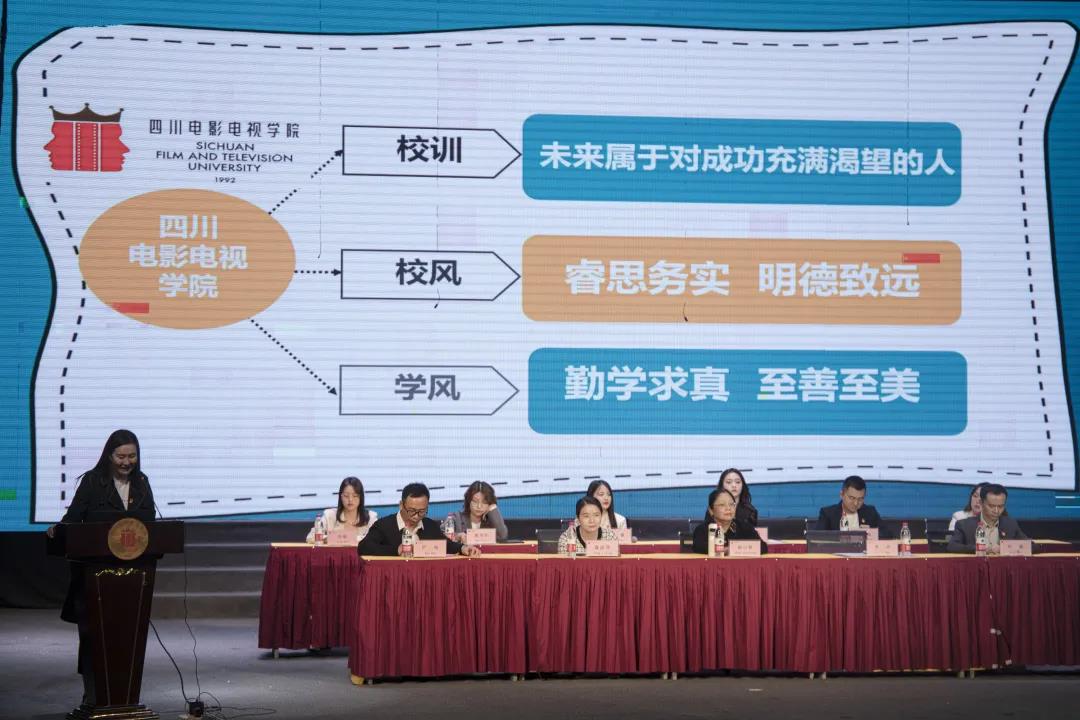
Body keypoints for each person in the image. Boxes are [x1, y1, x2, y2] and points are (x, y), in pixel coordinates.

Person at [46, 429, 155, 707]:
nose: (127, 462)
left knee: (126, 636)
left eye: (132, 456)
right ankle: (93, 693)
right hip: (95, 576)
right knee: (94, 637)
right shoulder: (92, 482)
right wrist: (60, 529)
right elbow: (73, 519)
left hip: (133, 578)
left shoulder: (142, 483)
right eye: (121, 456)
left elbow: (150, 527)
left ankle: (124, 696)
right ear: (109, 455)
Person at [358, 483, 480, 557]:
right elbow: (364, 547)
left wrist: (463, 548)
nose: (416, 516)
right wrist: (396, 550)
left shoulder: (430, 525)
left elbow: (446, 545)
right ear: (401, 505)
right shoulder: (384, 525)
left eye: (422, 511)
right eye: (412, 510)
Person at [948, 484, 1028, 554]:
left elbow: (1032, 545)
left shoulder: (1010, 524)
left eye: (1000, 506)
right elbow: (952, 546)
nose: (996, 511)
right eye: (991, 506)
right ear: (981, 503)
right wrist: (979, 548)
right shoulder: (964, 525)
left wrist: (1005, 548)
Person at [692, 488, 768, 554]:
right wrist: (723, 550)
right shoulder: (702, 529)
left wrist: (734, 549)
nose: (728, 508)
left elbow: (763, 547)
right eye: (722, 505)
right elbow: (699, 547)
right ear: (711, 510)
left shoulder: (745, 527)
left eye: (731, 504)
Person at [306, 476, 377, 544]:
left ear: (361, 498)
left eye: (355, 496)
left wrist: (348, 539)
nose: (350, 500)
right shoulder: (329, 516)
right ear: (341, 497)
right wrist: (328, 538)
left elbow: (377, 540)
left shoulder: (370, 517)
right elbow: (310, 537)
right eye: (346, 496)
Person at [815, 475, 883, 534]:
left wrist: (871, 532)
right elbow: (818, 538)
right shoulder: (828, 514)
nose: (856, 503)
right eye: (852, 498)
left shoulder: (870, 512)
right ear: (841, 495)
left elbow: (886, 535)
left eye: (860, 499)